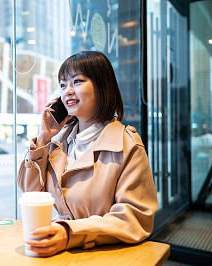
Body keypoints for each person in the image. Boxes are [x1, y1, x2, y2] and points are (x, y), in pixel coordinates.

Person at [18, 51, 158, 257]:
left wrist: (70, 233)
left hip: (106, 255)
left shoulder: (126, 144)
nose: (68, 91)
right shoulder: (59, 141)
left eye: (77, 81)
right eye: (63, 84)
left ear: (102, 86)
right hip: (59, 253)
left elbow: (135, 218)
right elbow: (30, 193)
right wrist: (43, 138)